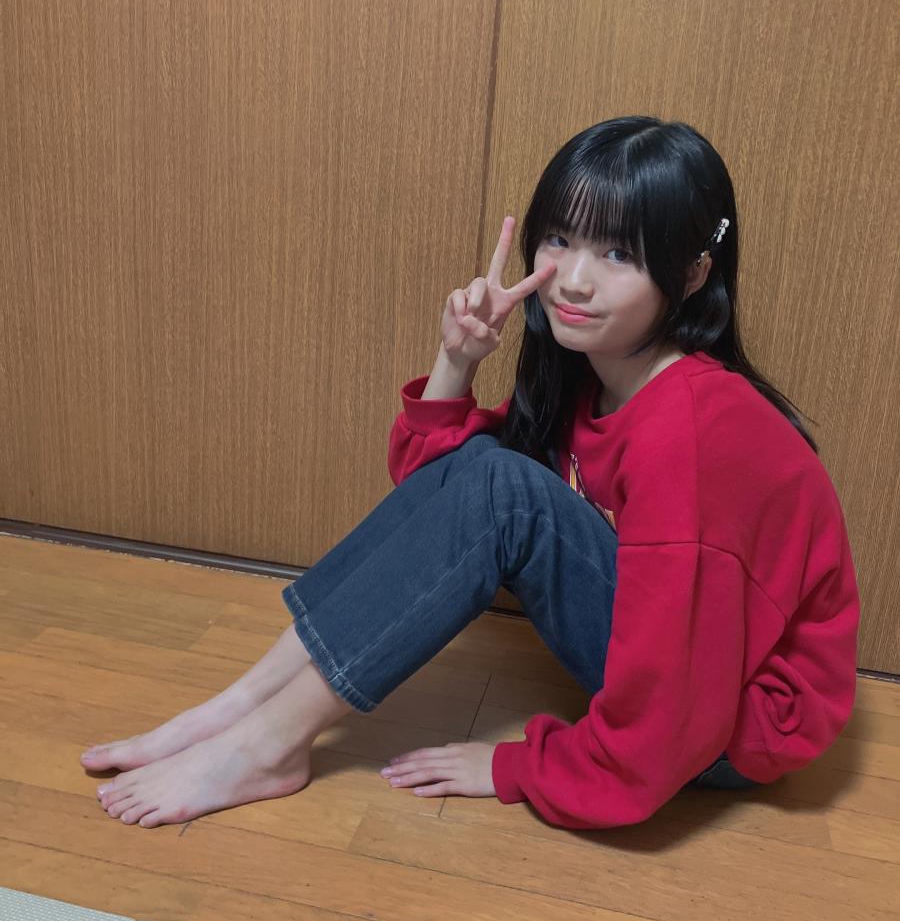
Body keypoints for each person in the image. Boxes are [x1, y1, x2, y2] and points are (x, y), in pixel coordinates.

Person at [80, 115, 860, 830]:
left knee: (504, 487)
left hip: (733, 724)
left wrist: (519, 766)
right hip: (684, 671)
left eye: (618, 254)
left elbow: (675, 709)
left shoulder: (689, 431)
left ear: (691, 275)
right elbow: (440, 499)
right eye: (560, 239)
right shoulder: (593, 375)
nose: (573, 279)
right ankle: (241, 708)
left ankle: (268, 747)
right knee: (493, 472)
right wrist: (457, 359)